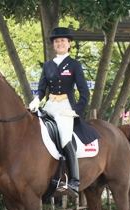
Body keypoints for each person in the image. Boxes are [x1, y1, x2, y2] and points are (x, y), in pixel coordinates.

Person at [29, 27, 100, 195]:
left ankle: (74, 180)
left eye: (63, 41)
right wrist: (36, 99)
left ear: (69, 44)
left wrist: (77, 110)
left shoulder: (75, 65)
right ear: (53, 45)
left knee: (65, 136)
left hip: (66, 107)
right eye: (56, 41)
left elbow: (84, 92)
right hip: (50, 105)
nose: (59, 43)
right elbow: (41, 89)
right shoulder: (48, 65)